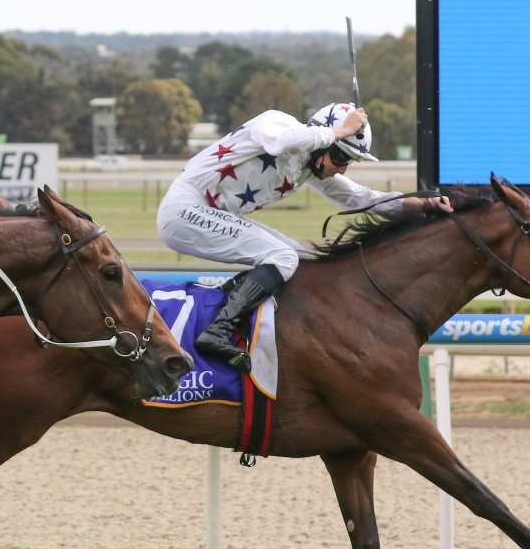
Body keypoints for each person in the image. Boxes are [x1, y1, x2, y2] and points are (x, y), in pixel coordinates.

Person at [157, 102, 452, 372]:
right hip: (184, 209)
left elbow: (359, 198)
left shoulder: (306, 168)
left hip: (206, 214)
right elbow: (279, 141)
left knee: (302, 259)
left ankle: (248, 326)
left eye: (348, 161)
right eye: (340, 156)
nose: (341, 168)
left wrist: (417, 204)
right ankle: (218, 331)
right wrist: (340, 131)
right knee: (282, 257)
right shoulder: (277, 122)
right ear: (324, 141)